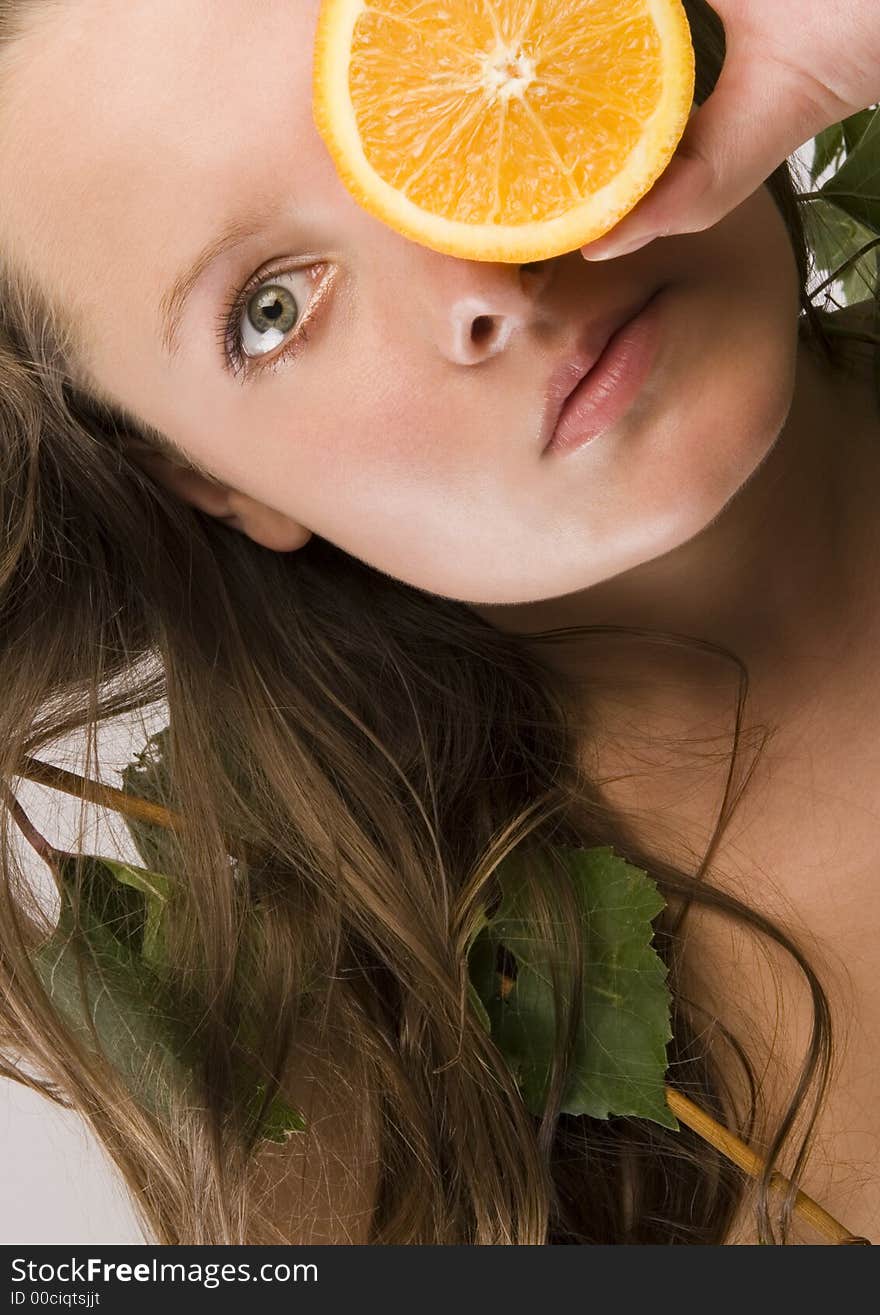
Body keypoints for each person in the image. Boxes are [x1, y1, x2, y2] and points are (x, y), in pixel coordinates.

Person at [0, 0, 877, 1246]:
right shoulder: (372, 1156)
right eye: (272, 309)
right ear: (214, 485)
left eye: (466, 79)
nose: (482, 279)